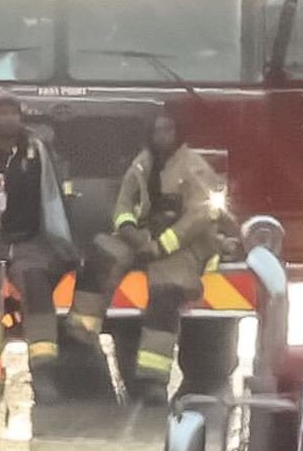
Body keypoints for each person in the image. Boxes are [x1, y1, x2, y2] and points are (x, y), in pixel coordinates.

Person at [62, 110, 224, 405]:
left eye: (168, 131)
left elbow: (199, 217)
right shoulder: (141, 163)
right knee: (100, 258)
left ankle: (153, 382)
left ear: (178, 133)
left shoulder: (194, 167)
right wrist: (128, 230)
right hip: (142, 237)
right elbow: (124, 203)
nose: (162, 137)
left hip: (181, 247)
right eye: (157, 131)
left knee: (165, 294)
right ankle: (80, 340)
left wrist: (162, 245)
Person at [0, 92, 81, 402]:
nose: (8, 119)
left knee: (36, 286)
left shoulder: (35, 150)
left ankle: (44, 372)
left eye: (13, 113)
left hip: (26, 240)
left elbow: (51, 196)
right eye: (1, 113)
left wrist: (62, 241)